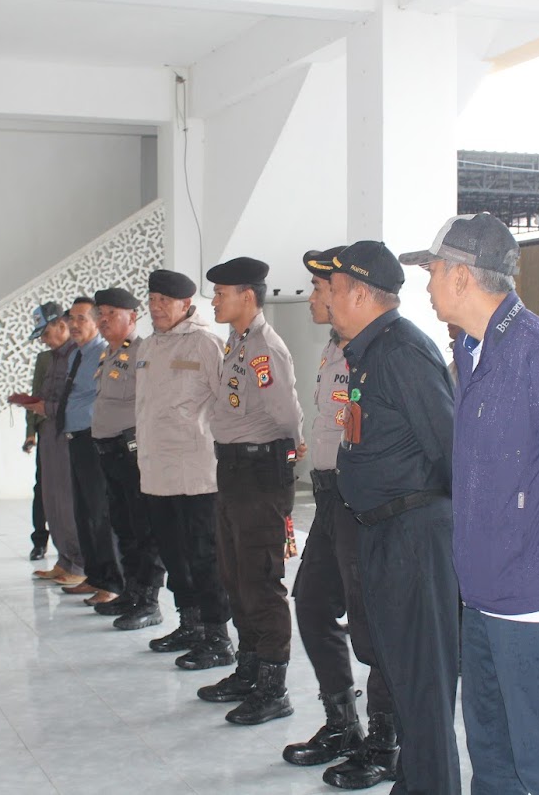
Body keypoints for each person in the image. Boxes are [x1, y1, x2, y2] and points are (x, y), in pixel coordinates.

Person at [401, 214, 539, 794]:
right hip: (483, 597)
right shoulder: (471, 350)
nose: (427, 284)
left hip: (535, 601)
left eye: (433, 270)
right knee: (493, 761)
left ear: (462, 277)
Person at [330, 240, 462, 795]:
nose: (328, 300)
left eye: (336, 290)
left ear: (362, 294)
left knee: (424, 688)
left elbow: (449, 447)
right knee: (404, 680)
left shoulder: (401, 351)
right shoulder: (370, 351)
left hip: (415, 536)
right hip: (383, 532)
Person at [283, 247, 398, 790]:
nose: (314, 297)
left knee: (373, 625)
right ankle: (342, 722)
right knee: (311, 602)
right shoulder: (336, 348)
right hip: (330, 497)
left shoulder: (376, 351)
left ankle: (384, 741)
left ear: (343, 292)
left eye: (319, 288)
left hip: (361, 501)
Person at [199, 256, 306, 726]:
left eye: (221, 293)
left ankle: (273, 686)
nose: (214, 300)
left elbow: (286, 415)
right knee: (235, 575)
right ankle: (248, 669)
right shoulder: (237, 342)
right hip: (234, 471)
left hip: (260, 473)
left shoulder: (265, 348)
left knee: (261, 579)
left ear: (247, 296)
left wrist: (291, 453)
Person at [134, 269, 234, 665]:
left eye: (164, 301)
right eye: (152, 300)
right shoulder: (148, 347)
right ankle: (189, 623)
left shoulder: (207, 344)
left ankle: (218, 637)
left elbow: (228, 404)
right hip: (156, 471)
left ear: (186, 304)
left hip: (196, 473)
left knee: (204, 556)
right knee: (174, 555)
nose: (156, 307)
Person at [87, 287, 166, 630]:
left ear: (132, 317)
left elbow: (152, 402)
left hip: (131, 452)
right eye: (100, 314)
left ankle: (149, 601)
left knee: (143, 527)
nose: (103, 320)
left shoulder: (142, 351)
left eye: (111, 314)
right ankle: (131, 591)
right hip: (110, 453)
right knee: (123, 526)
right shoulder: (109, 353)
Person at [20, 303, 86, 585]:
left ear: (62, 325)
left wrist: (46, 408)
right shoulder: (50, 358)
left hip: (68, 435)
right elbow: (40, 394)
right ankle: (64, 560)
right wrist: (32, 427)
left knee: (69, 502)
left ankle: (79, 564)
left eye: (46, 334)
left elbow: (79, 400)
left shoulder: (80, 354)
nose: (45, 341)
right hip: (49, 434)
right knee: (51, 500)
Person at [57, 298, 115, 598]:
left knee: (100, 511)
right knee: (83, 512)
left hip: (93, 438)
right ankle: (94, 575)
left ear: (96, 322)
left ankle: (112, 583)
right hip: (75, 438)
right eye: (71, 318)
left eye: (82, 318)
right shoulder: (77, 355)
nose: (74, 324)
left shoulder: (103, 353)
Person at [24, 339, 52, 562]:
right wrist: (30, 432)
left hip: (73, 431)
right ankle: (39, 541)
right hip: (47, 430)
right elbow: (35, 396)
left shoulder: (83, 354)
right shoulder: (45, 359)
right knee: (42, 487)